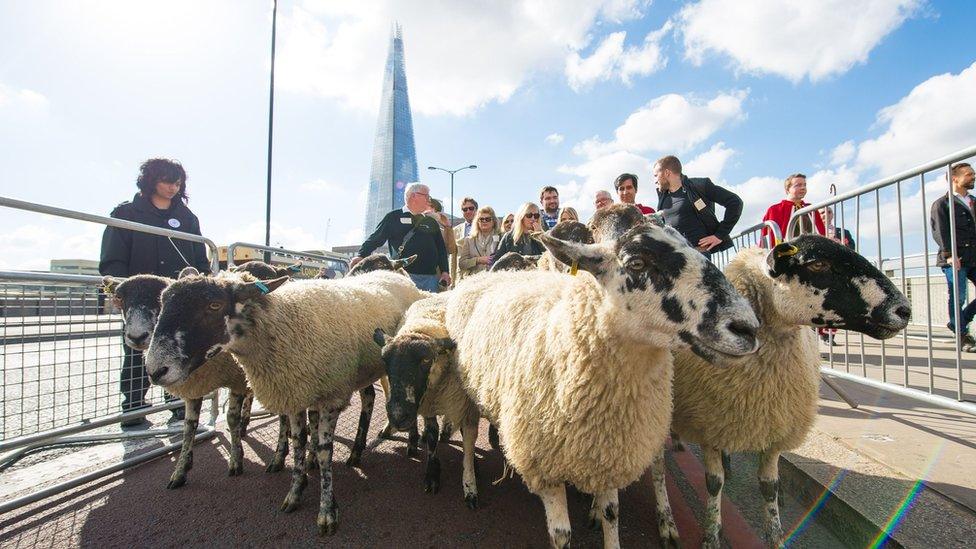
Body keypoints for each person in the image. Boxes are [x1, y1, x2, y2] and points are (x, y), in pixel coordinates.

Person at [99, 158, 211, 426]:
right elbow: (112, 259)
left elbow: (200, 259)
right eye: (166, 181)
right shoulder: (126, 213)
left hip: (175, 298)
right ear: (151, 181)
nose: (173, 187)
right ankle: (134, 406)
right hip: (140, 298)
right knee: (137, 349)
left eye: (177, 182)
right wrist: (116, 290)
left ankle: (177, 403)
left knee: (175, 349)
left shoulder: (187, 217)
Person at [354, 182, 450, 292]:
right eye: (427, 196)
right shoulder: (393, 217)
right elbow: (376, 238)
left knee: (431, 309)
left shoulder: (431, 221)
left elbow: (441, 249)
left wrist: (445, 271)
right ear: (414, 196)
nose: (429, 200)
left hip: (430, 279)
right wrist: (361, 255)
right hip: (403, 277)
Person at [654, 155, 743, 257]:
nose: (655, 180)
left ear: (667, 173)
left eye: (656, 175)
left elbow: (735, 202)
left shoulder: (699, 186)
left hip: (699, 255)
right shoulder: (663, 196)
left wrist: (719, 235)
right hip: (674, 258)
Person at [931, 162, 976, 352]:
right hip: (955, 257)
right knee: (958, 296)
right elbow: (939, 231)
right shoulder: (942, 204)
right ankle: (962, 334)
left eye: (973, 174)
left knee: (960, 299)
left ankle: (959, 322)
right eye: (969, 174)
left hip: (974, 256)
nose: (973, 177)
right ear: (954, 178)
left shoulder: (974, 201)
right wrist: (950, 255)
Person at [761, 173, 825, 245]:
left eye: (804, 185)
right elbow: (768, 237)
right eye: (798, 185)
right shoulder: (775, 209)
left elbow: (821, 232)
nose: (803, 187)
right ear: (788, 189)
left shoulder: (810, 208)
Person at [457, 206, 502, 280]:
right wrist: (478, 260)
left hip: (495, 280)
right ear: (477, 222)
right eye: (481, 219)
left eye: (487, 219)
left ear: (493, 221)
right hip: (474, 281)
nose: (484, 221)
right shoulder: (469, 240)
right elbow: (462, 264)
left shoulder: (501, 238)